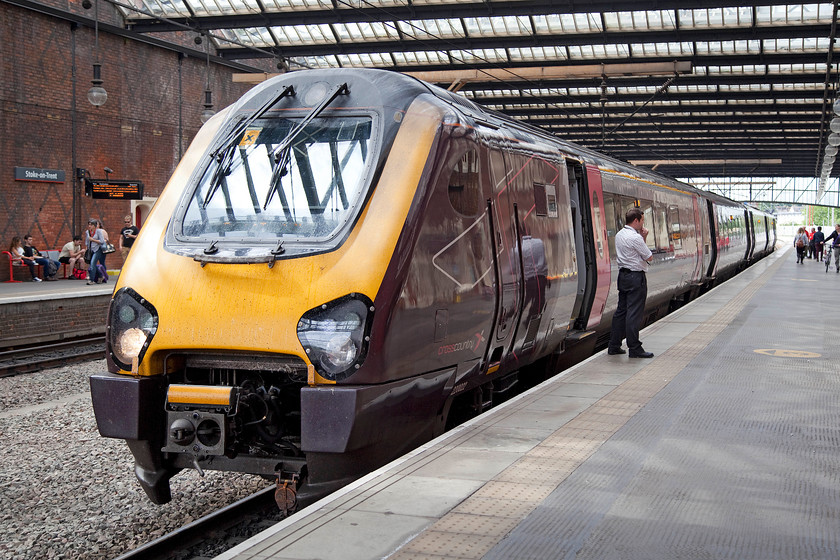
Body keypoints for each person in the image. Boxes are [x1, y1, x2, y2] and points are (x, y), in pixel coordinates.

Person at [608, 208, 654, 358]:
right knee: (634, 313)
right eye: (642, 220)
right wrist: (644, 237)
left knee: (621, 311)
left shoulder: (620, 234)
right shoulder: (635, 237)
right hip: (635, 278)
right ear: (636, 221)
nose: (642, 223)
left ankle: (614, 345)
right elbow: (648, 256)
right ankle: (634, 348)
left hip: (623, 276)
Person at [84, 219, 106, 285]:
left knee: (93, 263)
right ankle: (100, 276)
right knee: (92, 264)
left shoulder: (98, 231)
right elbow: (87, 242)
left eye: (91, 225)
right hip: (91, 249)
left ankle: (91, 280)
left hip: (97, 249)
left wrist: (93, 240)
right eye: (89, 225)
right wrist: (86, 249)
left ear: (94, 226)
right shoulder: (87, 232)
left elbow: (102, 241)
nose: (89, 226)